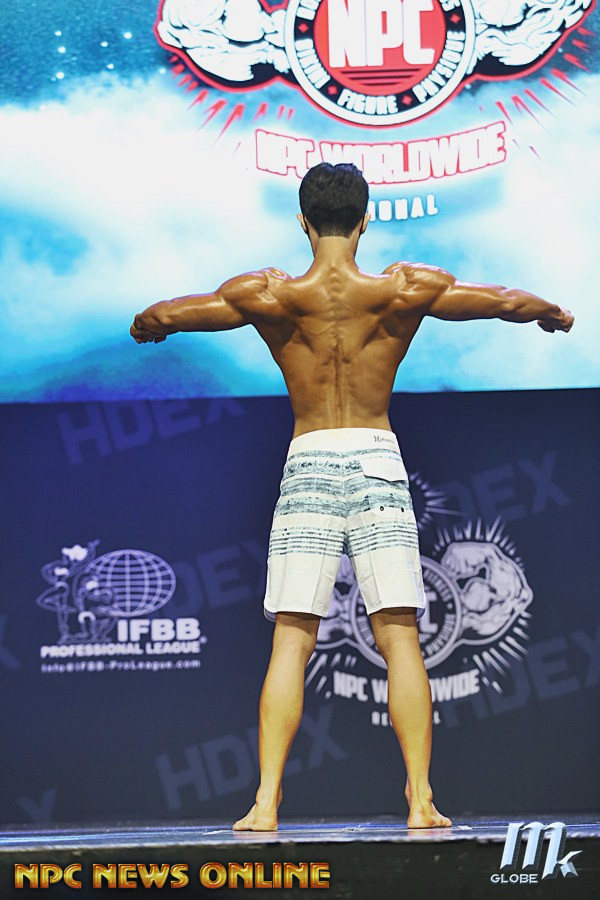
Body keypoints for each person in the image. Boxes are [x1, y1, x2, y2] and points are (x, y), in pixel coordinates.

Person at [130, 163, 574, 831]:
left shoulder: (269, 294)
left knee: (292, 637)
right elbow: (505, 300)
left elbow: (164, 315)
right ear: (366, 220)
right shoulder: (403, 289)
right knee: (399, 635)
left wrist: (148, 327)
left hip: (309, 457)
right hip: (375, 460)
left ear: (303, 222)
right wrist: (549, 314)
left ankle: (265, 803)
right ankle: (420, 799)